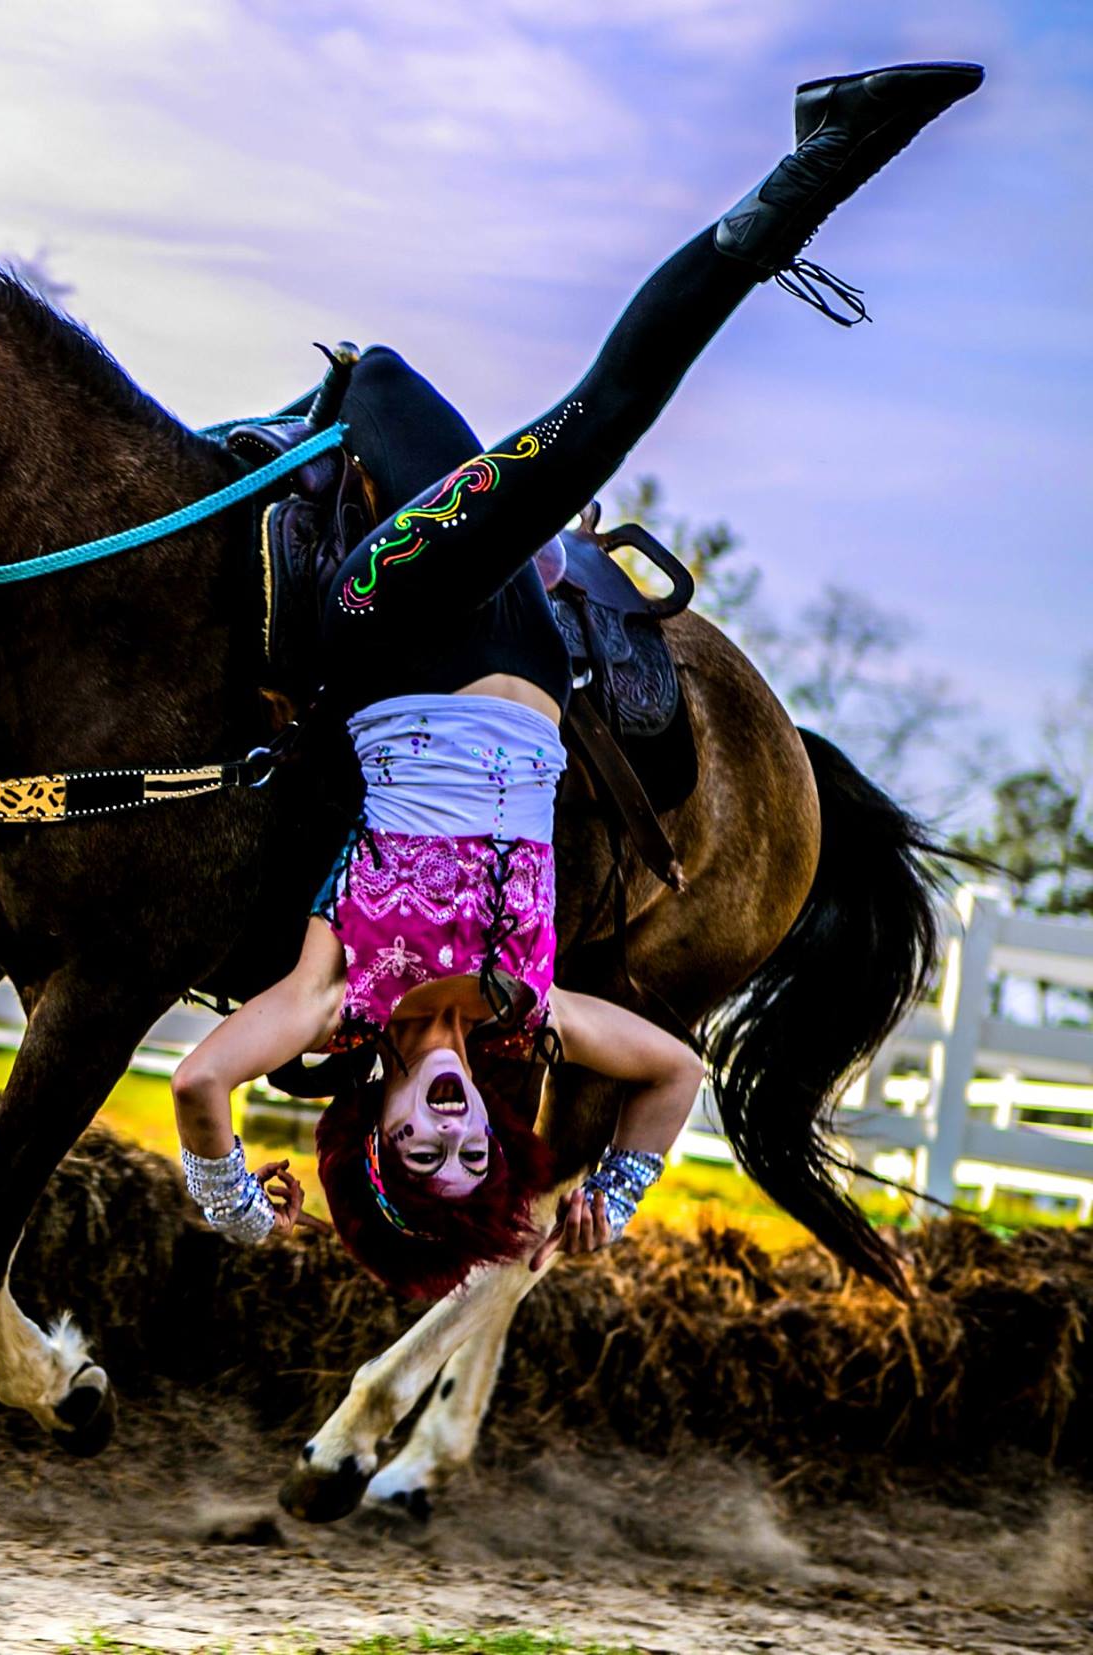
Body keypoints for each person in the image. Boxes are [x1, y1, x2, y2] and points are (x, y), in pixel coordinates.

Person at [169, 62, 984, 1295]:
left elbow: (196, 1081)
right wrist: (613, 1185)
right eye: (469, 1151)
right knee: (481, 416)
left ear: (378, 1134)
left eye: (417, 1150)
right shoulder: (524, 1010)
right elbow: (673, 1073)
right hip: (532, 664)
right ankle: (331, 408)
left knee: (558, 417)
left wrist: (226, 1193)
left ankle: (815, 166)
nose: (449, 1129)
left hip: (402, 635)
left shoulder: (331, 1001)